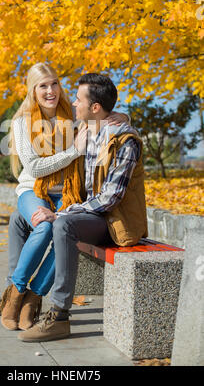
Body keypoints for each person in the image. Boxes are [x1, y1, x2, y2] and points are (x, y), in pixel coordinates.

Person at [0, 64, 129, 330]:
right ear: (33, 90)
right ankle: (16, 293)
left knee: (64, 232)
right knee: (45, 225)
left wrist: (123, 116)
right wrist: (73, 152)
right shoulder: (22, 121)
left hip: (68, 193)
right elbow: (33, 167)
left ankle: (33, 298)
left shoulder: (72, 113)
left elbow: (99, 113)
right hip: (32, 190)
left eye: (54, 84)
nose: (50, 91)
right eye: (43, 85)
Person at [8, 73, 148, 342]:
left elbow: (110, 199)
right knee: (22, 218)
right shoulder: (90, 131)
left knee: (62, 225)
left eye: (79, 99)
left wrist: (60, 212)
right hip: (92, 215)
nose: (73, 103)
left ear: (94, 107)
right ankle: (15, 293)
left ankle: (58, 314)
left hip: (115, 221)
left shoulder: (125, 142)